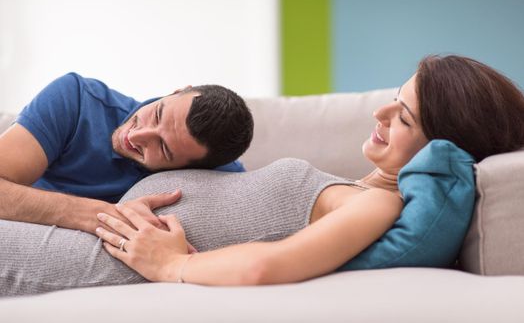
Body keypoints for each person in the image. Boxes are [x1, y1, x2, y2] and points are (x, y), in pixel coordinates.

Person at [1, 55, 523, 295]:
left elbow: (266, 266)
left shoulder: (378, 205)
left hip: (99, 257)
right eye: (391, 102)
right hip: (85, 232)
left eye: (403, 118)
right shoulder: (359, 188)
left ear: (444, 145)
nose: (380, 117)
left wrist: (168, 267)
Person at [0, 73, 254, 235]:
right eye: (157, 114)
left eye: (163, 148)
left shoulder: (219, 175)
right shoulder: (75, 100)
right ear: (176, 91)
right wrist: (96, 214)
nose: (134, 136)